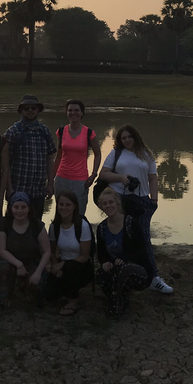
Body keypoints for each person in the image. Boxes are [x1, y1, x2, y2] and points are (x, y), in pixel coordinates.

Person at [98, 123, 173, 295]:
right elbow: (103, 174)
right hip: (120, 199)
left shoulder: (146, 154)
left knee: (144, 239)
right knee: (122, 236)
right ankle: (120, 269)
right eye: (123, 138)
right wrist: (121, 177)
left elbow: (153, 178)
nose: (127, 140)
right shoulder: (116, 153)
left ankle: (154, 277)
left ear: (136, 137)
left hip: (142, 200)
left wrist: (154, 201)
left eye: (129, 137)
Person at [94, 187, 152, 318]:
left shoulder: (131, 223)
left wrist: (125, 258)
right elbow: (102, 253)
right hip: (115, 267)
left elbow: (142, 250)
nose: (108, 206)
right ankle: (121, 299)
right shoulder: (102, 228)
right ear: (101, 207)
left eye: (111, 202)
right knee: (101, 274)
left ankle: (116, 307)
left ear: (117, 204)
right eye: (105, 203)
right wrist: (105, 263)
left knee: (124, 269)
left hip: (138, 270)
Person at [0, 192, 51, 308]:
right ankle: (4, 298)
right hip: (10, 262)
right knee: (2, 268)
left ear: (29, 208)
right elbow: (1, 250)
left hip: (32, 261)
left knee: (36, 287)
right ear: (11, 208)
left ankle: (26, 289)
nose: (20, 211)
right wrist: (18, 265)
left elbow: (47, 251)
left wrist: (38, 272)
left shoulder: (36, 225)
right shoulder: (4, 223)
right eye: (16, 207)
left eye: (23, 207)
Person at [2, 95, 58, 220]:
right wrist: (9, 188)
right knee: (14, 225)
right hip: (18, 190)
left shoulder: (45, 131)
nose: (30, 111)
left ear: (38, 110)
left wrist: (50, 184)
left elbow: (50, 159)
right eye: (26, 108)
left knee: (36, 224)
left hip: (39, 190)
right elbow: (5, 164)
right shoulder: (13, 132)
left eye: (33, 108)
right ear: (21, 111)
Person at [44, 190, 93, 316]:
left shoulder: (82, 226)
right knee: (48, 295)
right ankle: (66, 290)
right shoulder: (54, 226)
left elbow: (84, 256)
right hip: (62, 265)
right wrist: (55, 265)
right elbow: (52, 251)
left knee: (72, 268)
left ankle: (73, 301)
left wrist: (63, 265)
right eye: (61, 204)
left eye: (68, 205)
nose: (64, 208)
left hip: (80, 267)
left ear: (74, 206)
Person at [52, 99, 102, 211]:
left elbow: (97, 154)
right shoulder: (61, 132)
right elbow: (58, 157)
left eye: (76, 110)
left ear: (82, 113)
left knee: (78, 212)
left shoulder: (89, 133)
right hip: (61, 179)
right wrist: (51, 180)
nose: (73, 113)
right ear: (66, 112)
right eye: (70, 110)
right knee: (62, 212)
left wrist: (94, 174)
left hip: (80, 180)